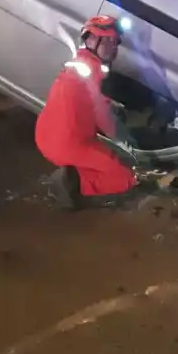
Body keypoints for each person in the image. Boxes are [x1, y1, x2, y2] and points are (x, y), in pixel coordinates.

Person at [34, 15, 139, 209]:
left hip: (47, 135)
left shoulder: (81, 64)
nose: (113, 47)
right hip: (68, 145)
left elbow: (88, 101)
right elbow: (103, 118)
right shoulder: (91, 71)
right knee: (126, 176)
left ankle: (77, 170)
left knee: (105, 158)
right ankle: (73, 185)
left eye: (115, 42)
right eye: (107, 41)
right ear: (91, 40)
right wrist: (125, 142)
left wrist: (110, 106)